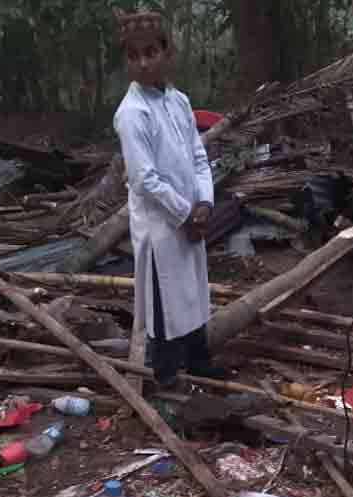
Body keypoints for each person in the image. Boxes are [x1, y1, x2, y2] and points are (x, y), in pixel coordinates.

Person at [113, 10, 225, 388]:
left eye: (150, 52)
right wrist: (186, 215)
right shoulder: (132, 114)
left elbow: (198, 156)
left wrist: (205, 203)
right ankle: (164, 377)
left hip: (192, 216)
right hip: (162, 227)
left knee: (194, 291)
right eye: (133, 56)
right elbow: (145, 180)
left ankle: (199, 361)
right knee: (164, 302)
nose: (143, 63)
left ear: (167, 52)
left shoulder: (178, 102)